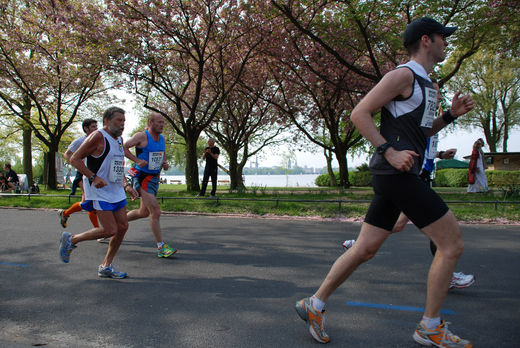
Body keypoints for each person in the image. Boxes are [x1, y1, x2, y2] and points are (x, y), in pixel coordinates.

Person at [295, 17, 475, 347]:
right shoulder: (402, 75)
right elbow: (359, 113)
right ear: (426, 40)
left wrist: (450, 116)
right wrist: (389, 151)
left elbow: (422, 131)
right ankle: (430, 327)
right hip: (397, 174)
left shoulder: (427, 84)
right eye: (442, 37)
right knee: (452, 245)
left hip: (398, 175)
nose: (446, 43)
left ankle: (314, 303)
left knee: (365, 248)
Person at [342, 80, 475, 290]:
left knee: (397, 227)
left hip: (414, 177)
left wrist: (441, 153)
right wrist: (389, 151)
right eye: (434, 94)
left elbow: (425, 145)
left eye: (438, 95)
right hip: (407, 179)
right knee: (445, 237)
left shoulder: (426, 121)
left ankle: (318, 297)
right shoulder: (410, 109)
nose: (437, 98)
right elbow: (361, 115)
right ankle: (443, 286)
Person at [59, 106, 139, 278]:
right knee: (110, 230)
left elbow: (118, 166)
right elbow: (75, 159)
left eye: (124, 121)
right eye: (119, 120)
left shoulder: (119, 140)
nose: (122, 124)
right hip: (99, 191)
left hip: (116, 190)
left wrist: (127, 186)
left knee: (123, 226)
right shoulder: (97, 136)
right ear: (107, 121)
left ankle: (106, 266)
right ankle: (72, 240)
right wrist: (93, 177)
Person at [123, 112, 177, 258]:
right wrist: (136, 160)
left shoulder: (162, 139)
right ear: (150, 122)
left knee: (143, 212)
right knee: (156, 211)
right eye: (159, 122)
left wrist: (164, 164)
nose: (162, 125)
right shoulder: (142, 136)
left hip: (153, 179)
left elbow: (162, 154)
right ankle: (161, 247)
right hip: (141, 176)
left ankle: (116, 224)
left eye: (163, 122)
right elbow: (124, 147)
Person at [58, 119, 100, 229]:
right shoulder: (80, 141)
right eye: (93, 127)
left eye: (96, 126)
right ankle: (97, 230)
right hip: (82, 174)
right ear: (86, 128)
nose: (96, 129)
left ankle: (65, 213)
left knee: (87, 202)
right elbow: (67, 154)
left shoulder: (98, 141)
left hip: (93, 173)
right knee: (89, 201)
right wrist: (78, 165)